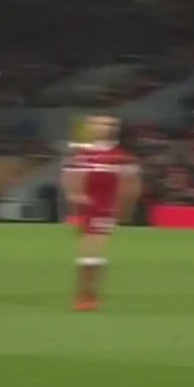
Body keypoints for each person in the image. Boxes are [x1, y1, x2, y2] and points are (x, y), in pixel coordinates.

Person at [60, 115, 140, 311]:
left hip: (105, 209)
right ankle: (85, 295)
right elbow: (69, 177)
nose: (105, 127)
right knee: (87, 251)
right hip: (86, 208)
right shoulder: (80, 155)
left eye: (110, 124)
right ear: (90, 127)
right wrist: (74, 195)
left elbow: (131, 184)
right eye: (99, 123)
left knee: (93, 251)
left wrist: (124, 209)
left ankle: (89, 296)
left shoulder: (122, 157)